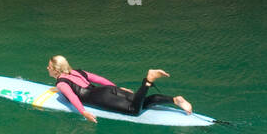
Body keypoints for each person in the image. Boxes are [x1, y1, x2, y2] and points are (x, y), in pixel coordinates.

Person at [46, 55, 193, 122]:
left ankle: (148, 81)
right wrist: (116, 88)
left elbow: (73, 97)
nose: (48, 68)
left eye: (49, 67)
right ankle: (175, 100)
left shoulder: (61, 83)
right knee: (140, 101)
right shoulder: (77, 71)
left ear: (56, 70)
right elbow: (98, 79)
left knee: (134, 110)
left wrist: (84, 113)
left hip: (101, 97)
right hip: (107, 90)